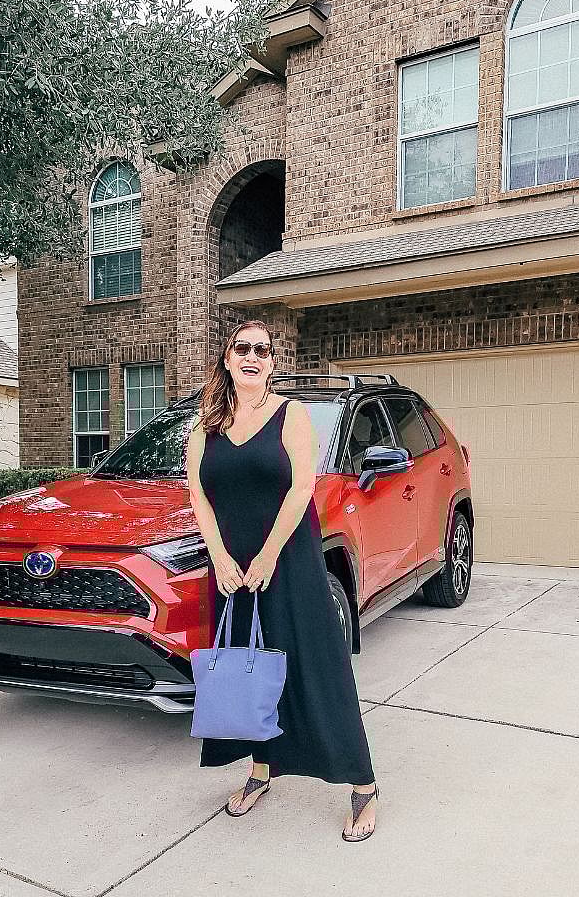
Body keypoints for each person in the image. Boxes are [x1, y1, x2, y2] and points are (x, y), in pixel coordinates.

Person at [184, 318, 380, 842]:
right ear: (227, 358)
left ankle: (361, 782)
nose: (252, 357)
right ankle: (260, 770)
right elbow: (198, 496)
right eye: (242, 348)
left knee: (317, 667)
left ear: (272, 363)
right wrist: (221, 558)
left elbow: (300, 489)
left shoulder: (290, 415)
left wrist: (269, 555)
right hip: (230, 569)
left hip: (286, 560)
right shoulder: (205, 425)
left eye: (263, 351)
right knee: (247, 669)